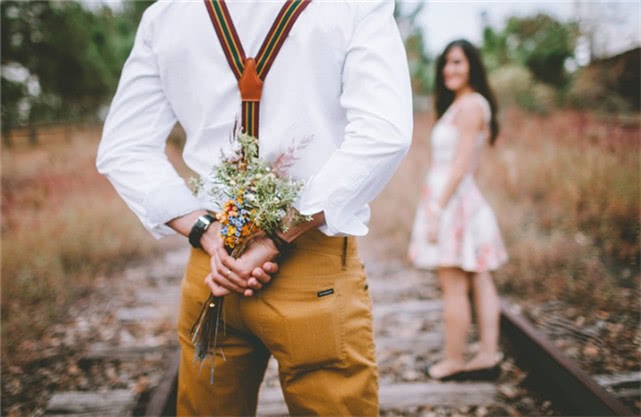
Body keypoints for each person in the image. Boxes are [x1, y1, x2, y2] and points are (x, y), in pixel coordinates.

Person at [97, 1, 412, 415]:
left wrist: (206, 231)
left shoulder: (167, 14)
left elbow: (124, 147)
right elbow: (384, 134)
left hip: (214, 268)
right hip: (310, 265)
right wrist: (279, 234)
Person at [408, 39, 508, 381]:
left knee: (453, 285)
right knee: (479, 278)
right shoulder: (467, 104)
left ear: (472, 66)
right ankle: (486, 355)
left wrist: (437, 208)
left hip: (452, 203)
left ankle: (454, 360)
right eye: (446, 64)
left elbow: (462, 163)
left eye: (457, 62)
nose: (450, 70)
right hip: (461, 199)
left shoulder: (469, 107)